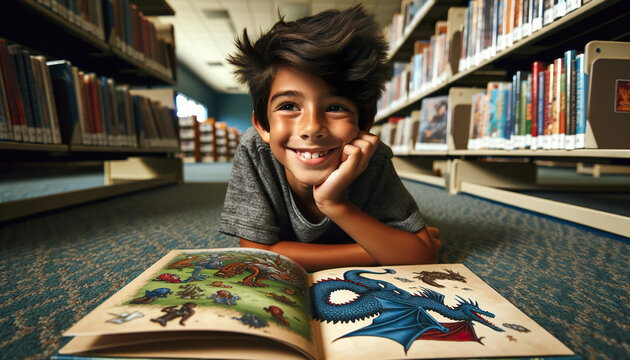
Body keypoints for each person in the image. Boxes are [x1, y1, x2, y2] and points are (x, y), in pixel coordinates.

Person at [219, 5, 441, 272]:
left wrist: (333, 204)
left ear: (365, 125)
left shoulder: (374, 157)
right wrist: (375, 251)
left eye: (335, 107)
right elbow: (257, 251)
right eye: (289, 106)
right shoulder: (255, 149)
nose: (312, 128)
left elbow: (422, 256)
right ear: (262, 126)